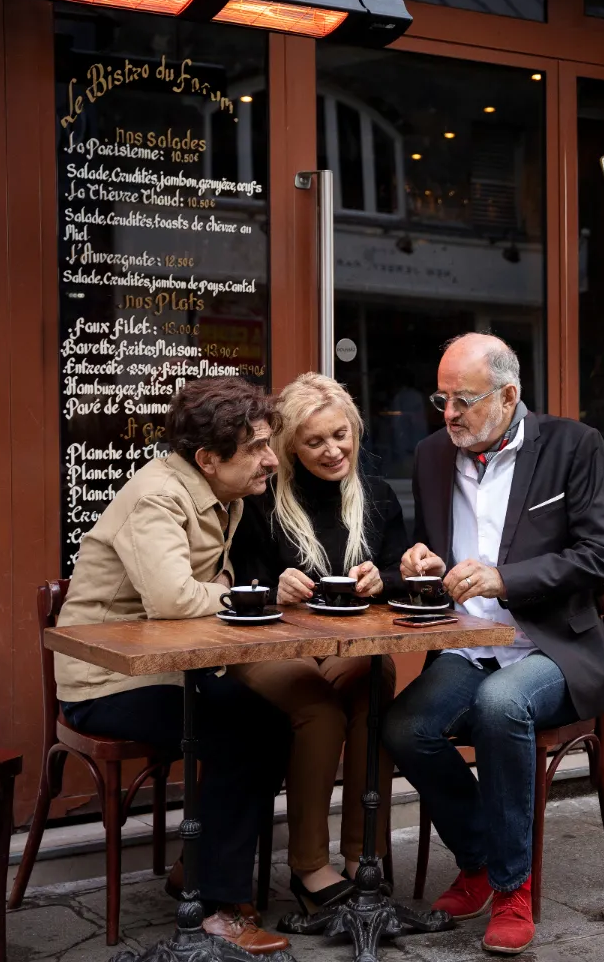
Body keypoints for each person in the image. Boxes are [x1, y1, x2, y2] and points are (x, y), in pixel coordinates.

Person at [381, 334, 604, 955]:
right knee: (404, 726)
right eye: (442, 399)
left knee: (500, 705)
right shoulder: (434, 454)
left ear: (509, 395)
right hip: (466, 646)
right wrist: (418, 561)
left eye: (463, 400)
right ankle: (482, 857)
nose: (449, 414)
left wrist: (506, 579)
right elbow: (426, 551)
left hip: (551, 649)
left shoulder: (573, 446)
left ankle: (513, 890)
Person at [54, 378, 291, 955]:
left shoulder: (224, 493)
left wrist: (228, 587)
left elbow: (197, 591)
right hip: (106, 679)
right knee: (246, 731)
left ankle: (200, 868)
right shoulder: (158, 496)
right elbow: (174, 600)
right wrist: (246, 593)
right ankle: (216, 909)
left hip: (164, 669)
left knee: (269, 719)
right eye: (256, 447)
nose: (270, 458)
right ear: (208, 459)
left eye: (268, 443)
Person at [229, 372, 406, 914]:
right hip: (272, 649)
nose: (334, 451)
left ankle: (364, 856)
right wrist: (272, 587)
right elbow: (233, 586)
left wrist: (386, 580)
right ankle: (308, 865)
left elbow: (402, 568)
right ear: (288, 447)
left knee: (375, 682)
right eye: (315, 442)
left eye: (341, 435)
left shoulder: (374, 494)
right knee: (320, 708)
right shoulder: (260, 499)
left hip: (348, 648)